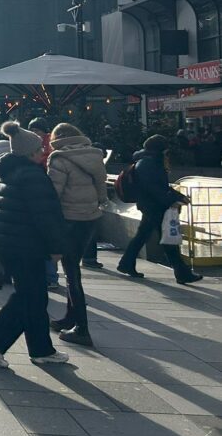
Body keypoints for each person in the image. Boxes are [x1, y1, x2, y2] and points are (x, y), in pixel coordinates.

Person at [0, 121, 70, 368]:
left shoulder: (6, 171)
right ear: (31, 153)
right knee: (30, 296)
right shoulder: (32, 175)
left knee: (34, 298)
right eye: (40, 149)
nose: (44, 151)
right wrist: (56, 247)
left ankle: (41, 349)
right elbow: (45, 215)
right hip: (25, 244)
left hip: (10, 242)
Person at [46, 123, 108, 347]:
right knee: (73, 268)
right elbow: (101, 187)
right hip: (89, 218)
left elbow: (54, 193)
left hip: (68, 218)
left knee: (71, 273)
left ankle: (82, 328)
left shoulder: (59, 158)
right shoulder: (94, 155)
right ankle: (70, 318)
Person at [117, 135, 202, 284]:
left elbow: (159, 186)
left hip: (150, 205)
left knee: (145, 236)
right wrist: (171, 199)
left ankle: (126, 263)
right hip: (154, 206)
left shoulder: (148, 161)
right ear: (160, 149)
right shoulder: (149, 163)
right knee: (167, 239)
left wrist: (177, 196)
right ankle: (182, 273)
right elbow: (154, 188)